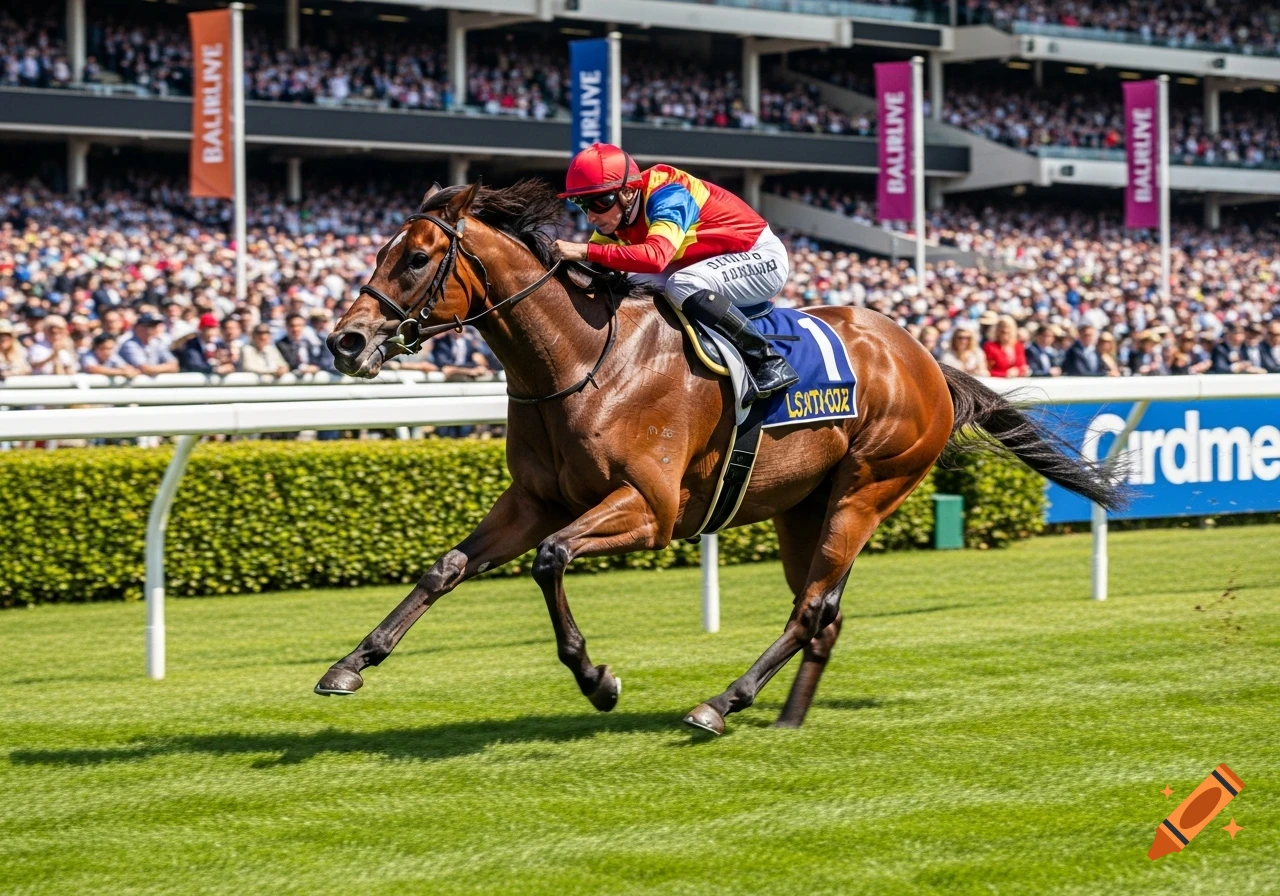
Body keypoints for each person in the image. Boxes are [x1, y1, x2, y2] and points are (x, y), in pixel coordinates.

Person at [552, 143, 797, 405]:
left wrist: (583, 251)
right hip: (708, 262)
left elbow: (656, 258)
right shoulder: (616, 217)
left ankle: (766, 359)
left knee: (682, 284)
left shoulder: (669, 194)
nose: (590, 216)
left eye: (598, 202)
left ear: (627, 192)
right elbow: (593, 269)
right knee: (630, 284)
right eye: (581, 204)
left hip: (761, 257)